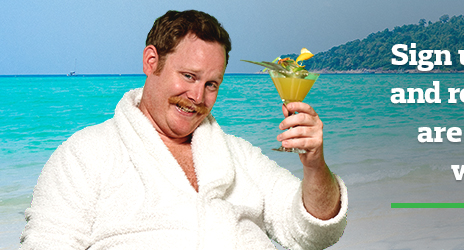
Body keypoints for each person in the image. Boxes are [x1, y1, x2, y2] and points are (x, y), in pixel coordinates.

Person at [20, 10, 347, 249]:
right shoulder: (85, 154)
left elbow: (314, 232)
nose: (197, 96)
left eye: (211, 84)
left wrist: (315, 164)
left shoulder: (237, 155)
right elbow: (47, 243)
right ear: (151, 62)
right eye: (189, 76)